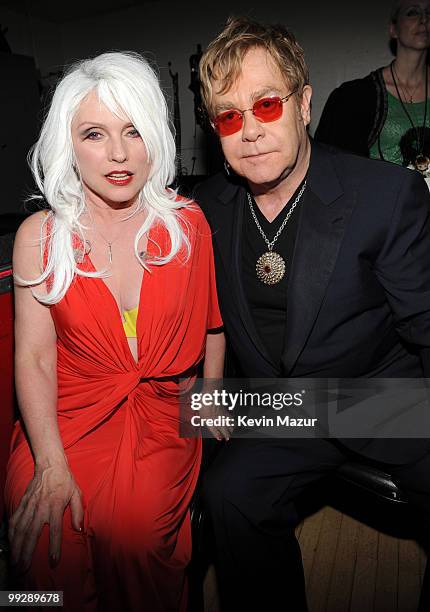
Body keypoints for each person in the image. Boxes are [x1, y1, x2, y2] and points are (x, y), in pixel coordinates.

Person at [194, 15, 430, 612]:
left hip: (384, 395)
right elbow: (199, 311)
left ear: (303, 104)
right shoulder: (206, 208)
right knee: (228, 493)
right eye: (229, 116)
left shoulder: (385, 194)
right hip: (279, 401)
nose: (249, 131)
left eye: (266, 104)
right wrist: (210, 387)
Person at [5, 51, 224, 612]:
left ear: (156, 136)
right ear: (68, 146)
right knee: (47, 547)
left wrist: (213, 396)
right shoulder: (39, 237)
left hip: (159, 415)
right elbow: (33, 360)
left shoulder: (188, 226)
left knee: (138, 539)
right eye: (95, 134)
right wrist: (50, 463)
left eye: (133, 130)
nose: (119, 154)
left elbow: (213, 327)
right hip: (64, 417)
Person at [315, 0, 430, 179]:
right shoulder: (353, 99)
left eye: (429, 12)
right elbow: (329, 172)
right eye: (412, 12)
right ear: (393, 29)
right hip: (381, 204)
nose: (424, 19)